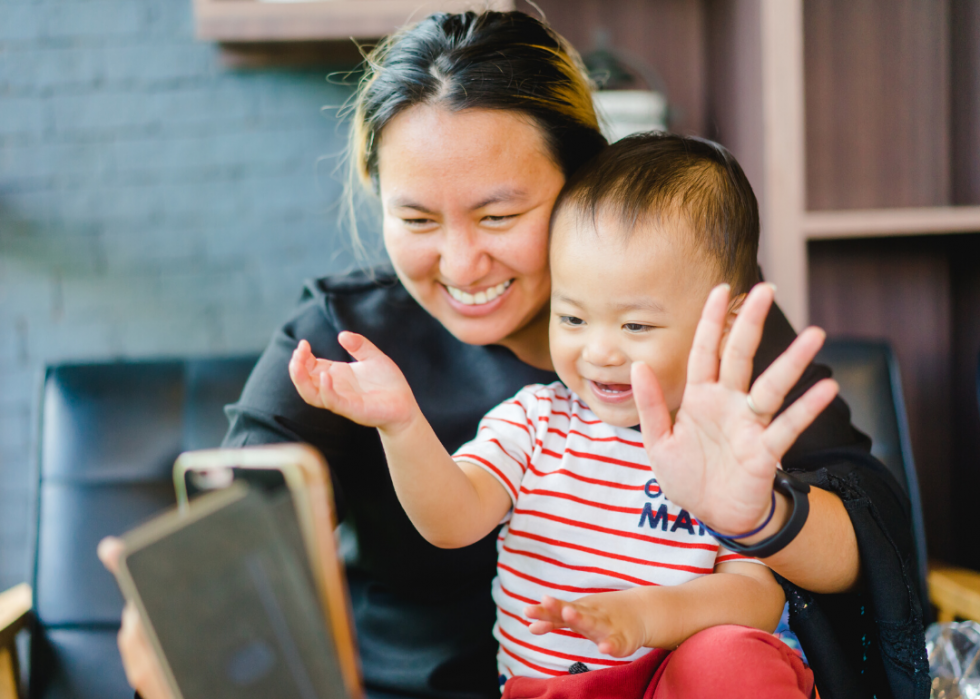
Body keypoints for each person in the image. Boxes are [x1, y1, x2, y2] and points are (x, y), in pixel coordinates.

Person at [98, 10, 928, 699]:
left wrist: (762, 516)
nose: (461, 267)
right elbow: (240, 518)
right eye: (417, 220)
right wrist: (185, 602)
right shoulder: (343, 340)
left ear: (582, 177)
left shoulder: (695, 320)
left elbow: (864, 535)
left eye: (498, 217)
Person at [288, 132, 827, 696]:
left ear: (727, 323)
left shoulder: (731, 444)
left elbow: (757, 598)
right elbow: (451, 520)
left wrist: (645, 616)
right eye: (571, 319)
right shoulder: (535, 423)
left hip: (677, 681)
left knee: (733, 658)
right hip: (554, 690)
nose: (598, 352)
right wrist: (400, 424)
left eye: (636, 326)